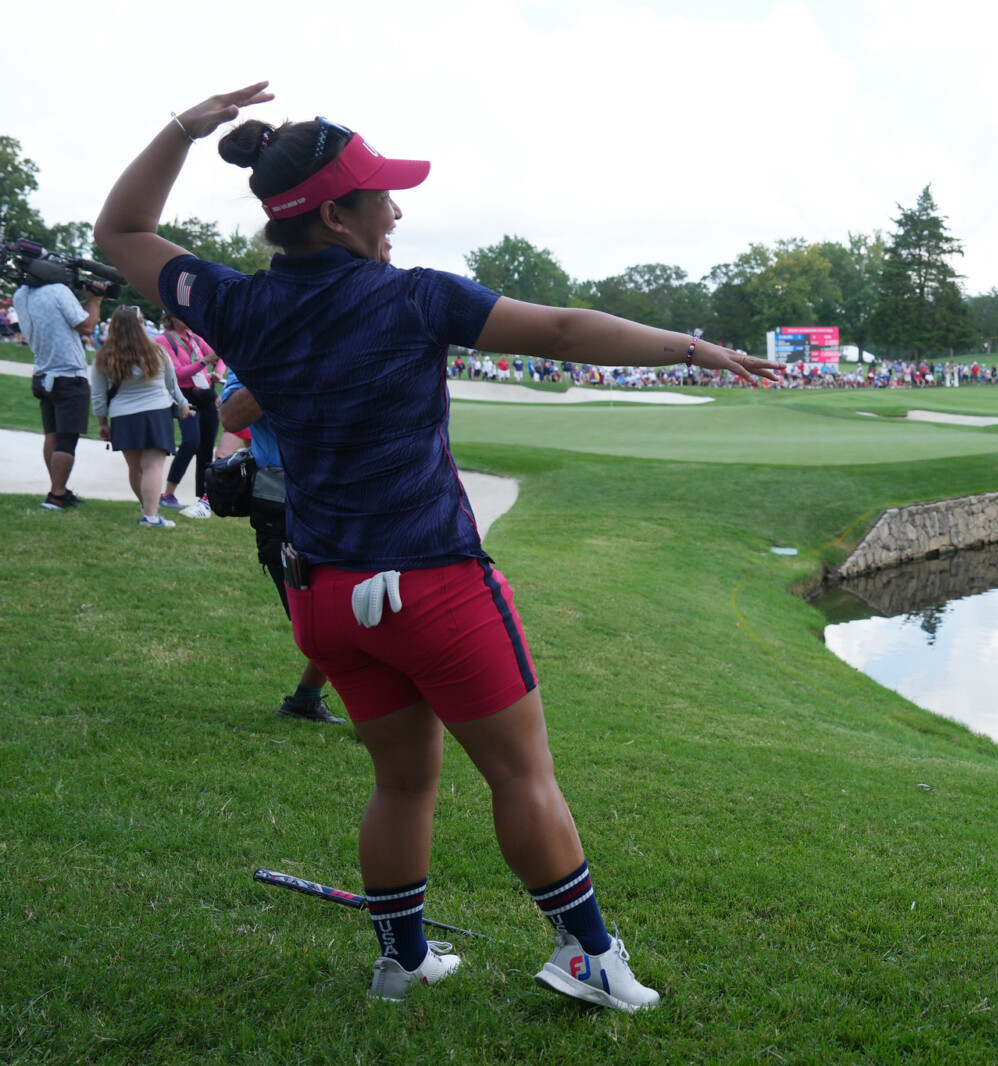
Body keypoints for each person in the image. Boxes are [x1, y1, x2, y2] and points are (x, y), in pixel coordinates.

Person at [96, 82, 784, 1009]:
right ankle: (588, 957)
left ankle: (403, 959)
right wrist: (695, 350)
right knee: (520, 773)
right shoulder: (413, 298)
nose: (398, 207)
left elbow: (124, 230)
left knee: (402, 784)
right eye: (381, 194)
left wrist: (184, 129)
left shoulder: (235, 304)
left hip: (326, 597)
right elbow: (569, 330)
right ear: (337, 215)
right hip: (432, 585)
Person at [218, 372, 343, 724]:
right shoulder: (254, 347)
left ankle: (306, 700)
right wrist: (285, 360)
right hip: (282, 504)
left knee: (351, 611)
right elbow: (231, 417)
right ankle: (316, 702)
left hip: (347, 497)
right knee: (320, 620)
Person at [90, 305, 191, 527]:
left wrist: (102, 423)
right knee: (153, 467)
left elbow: (98, 395)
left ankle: (147, 507)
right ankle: (151, 516)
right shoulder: (156, 352)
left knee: (135, 468)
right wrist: (183, 406)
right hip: (156, 413)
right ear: (141, 324)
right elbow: (172, 386)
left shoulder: (104, 357)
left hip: (123, 417)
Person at [13, 270, 104, 509]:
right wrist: (95, 300)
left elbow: (63, 314)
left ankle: (57, 489)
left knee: (52, 435)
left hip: (42, 373)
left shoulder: (21, 294)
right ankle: (57, 494)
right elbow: (86, 326)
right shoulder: (59, 291)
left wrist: (86, 299)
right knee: (67, 438)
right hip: (69, 375)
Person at [155, 312, 223, 517]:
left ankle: (203, 498)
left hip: (205, 394)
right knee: (191, 442)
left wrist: (218, 372)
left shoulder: (195, 338)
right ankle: (168, 493)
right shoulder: (163, 340)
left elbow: (220, 355)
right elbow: (175, 374)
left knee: (206, 447)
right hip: (185, 395)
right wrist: (204, 362)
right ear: (172, 318)